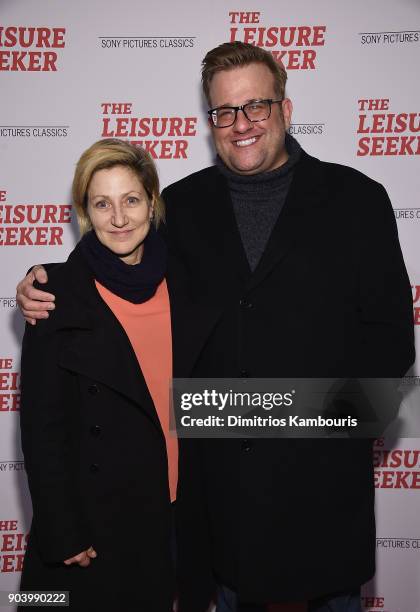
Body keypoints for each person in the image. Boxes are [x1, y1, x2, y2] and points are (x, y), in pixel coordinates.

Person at [17, 42, 415, 612]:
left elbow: (391, 339)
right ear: (211, 121)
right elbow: (115, 253)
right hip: (222, 501)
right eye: (224, 112)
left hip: (323, 491)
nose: (240, 124)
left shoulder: (358, 199)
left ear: (286, 108)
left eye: (256, 106)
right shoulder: (181, 206)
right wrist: (41, 282)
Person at [18, 139, 177, 611]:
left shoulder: (185, 282)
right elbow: (42, 428)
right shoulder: (55, 293)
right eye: (102, 204)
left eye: (130, 200)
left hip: (169, 511)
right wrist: (61, 528)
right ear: (85, 212)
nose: (119, 218)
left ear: (152, 201)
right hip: (93, 519)